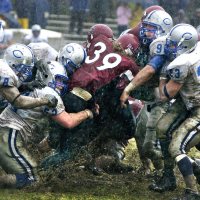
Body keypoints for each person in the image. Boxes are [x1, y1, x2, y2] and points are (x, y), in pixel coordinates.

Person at [40, 25, 141, 173]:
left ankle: (36, 155)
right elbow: (137, 78)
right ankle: (36, 171)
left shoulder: (90, 47)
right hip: (80, 100)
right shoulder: (127, 62)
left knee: (58, 138)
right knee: (70, 150)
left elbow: (88, 76)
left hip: (65, 94)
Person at [0, 59, 99, 188]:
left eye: (63, 81)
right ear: (47, 76)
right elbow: (68, 122)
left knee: (30, 175)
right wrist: (88, 113)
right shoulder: (49, 93)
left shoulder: (32, 86)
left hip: (7, 132)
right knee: (30, 180)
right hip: (9, 135)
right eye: (59, 80)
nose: (61, 85)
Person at [120, 10, 173, 174]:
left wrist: (129, 88)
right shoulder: (140, 41)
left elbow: (150, 70)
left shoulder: (164, 46)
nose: (145, 31)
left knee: (153, 142)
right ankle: (148, 167)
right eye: (146, 27)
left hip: (166, 100)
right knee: (139, 133)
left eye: (151, 28)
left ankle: (166, 170)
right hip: (152, 99)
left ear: (163, 30)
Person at [158, 23, 200, 199]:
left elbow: (165, 94)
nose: (170, 46)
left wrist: (161, 76)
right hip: (189, 100)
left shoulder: (182, 62)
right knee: (162, 128)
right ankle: (169, 176)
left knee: (177, 147)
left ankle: (192, 191)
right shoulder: (196, 49)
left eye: (174, 44)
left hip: (196, 107)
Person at [0, 43, 57, 109]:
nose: (25, 72)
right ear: (13, 64)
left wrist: (25, 86)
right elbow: (19, 102)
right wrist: (45, 100)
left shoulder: (4, 66)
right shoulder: (5, 73)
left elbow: (6, 90)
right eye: (23, 68)